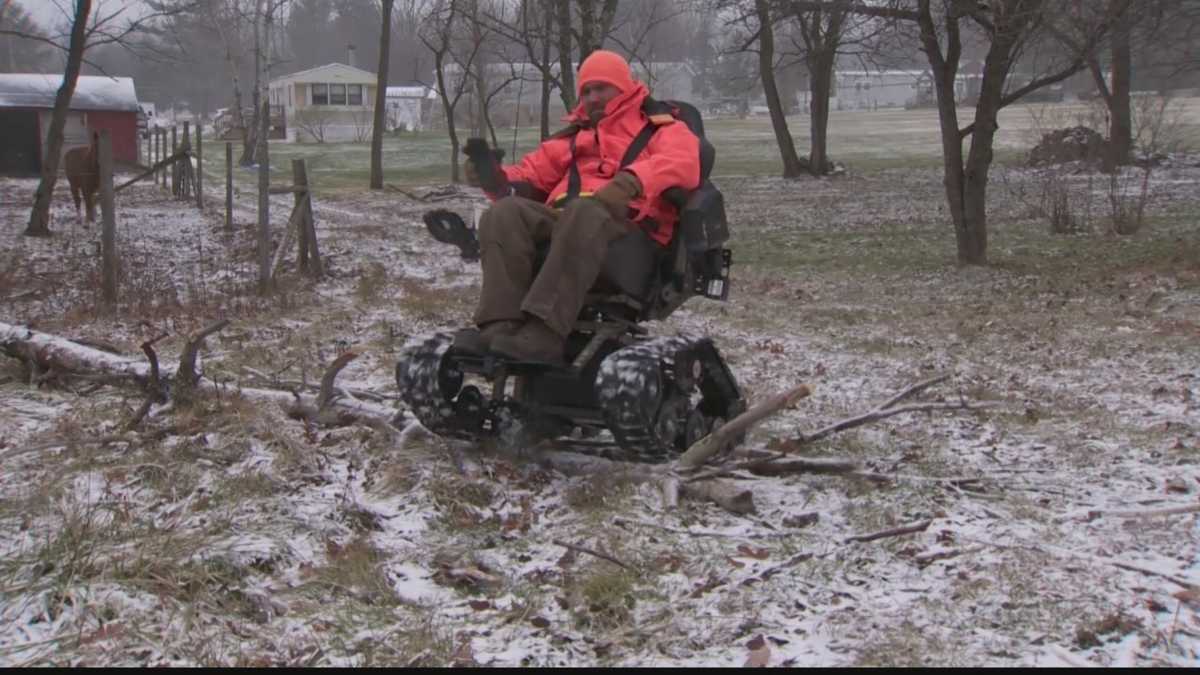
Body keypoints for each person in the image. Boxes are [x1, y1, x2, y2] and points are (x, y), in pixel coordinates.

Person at [456, 49, 701, 365]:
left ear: (623, 87)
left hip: (631, 233)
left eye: (602, 88)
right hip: (570, 222)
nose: (593, 97)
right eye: (586, 90)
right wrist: (494, 179)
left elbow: (683, 163)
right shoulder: (573, 138)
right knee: (503, 213)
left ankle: (546, 331)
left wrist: (629, 182)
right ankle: (499, 325)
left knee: (585, 212)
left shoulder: (661, 128)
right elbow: (530, 174)